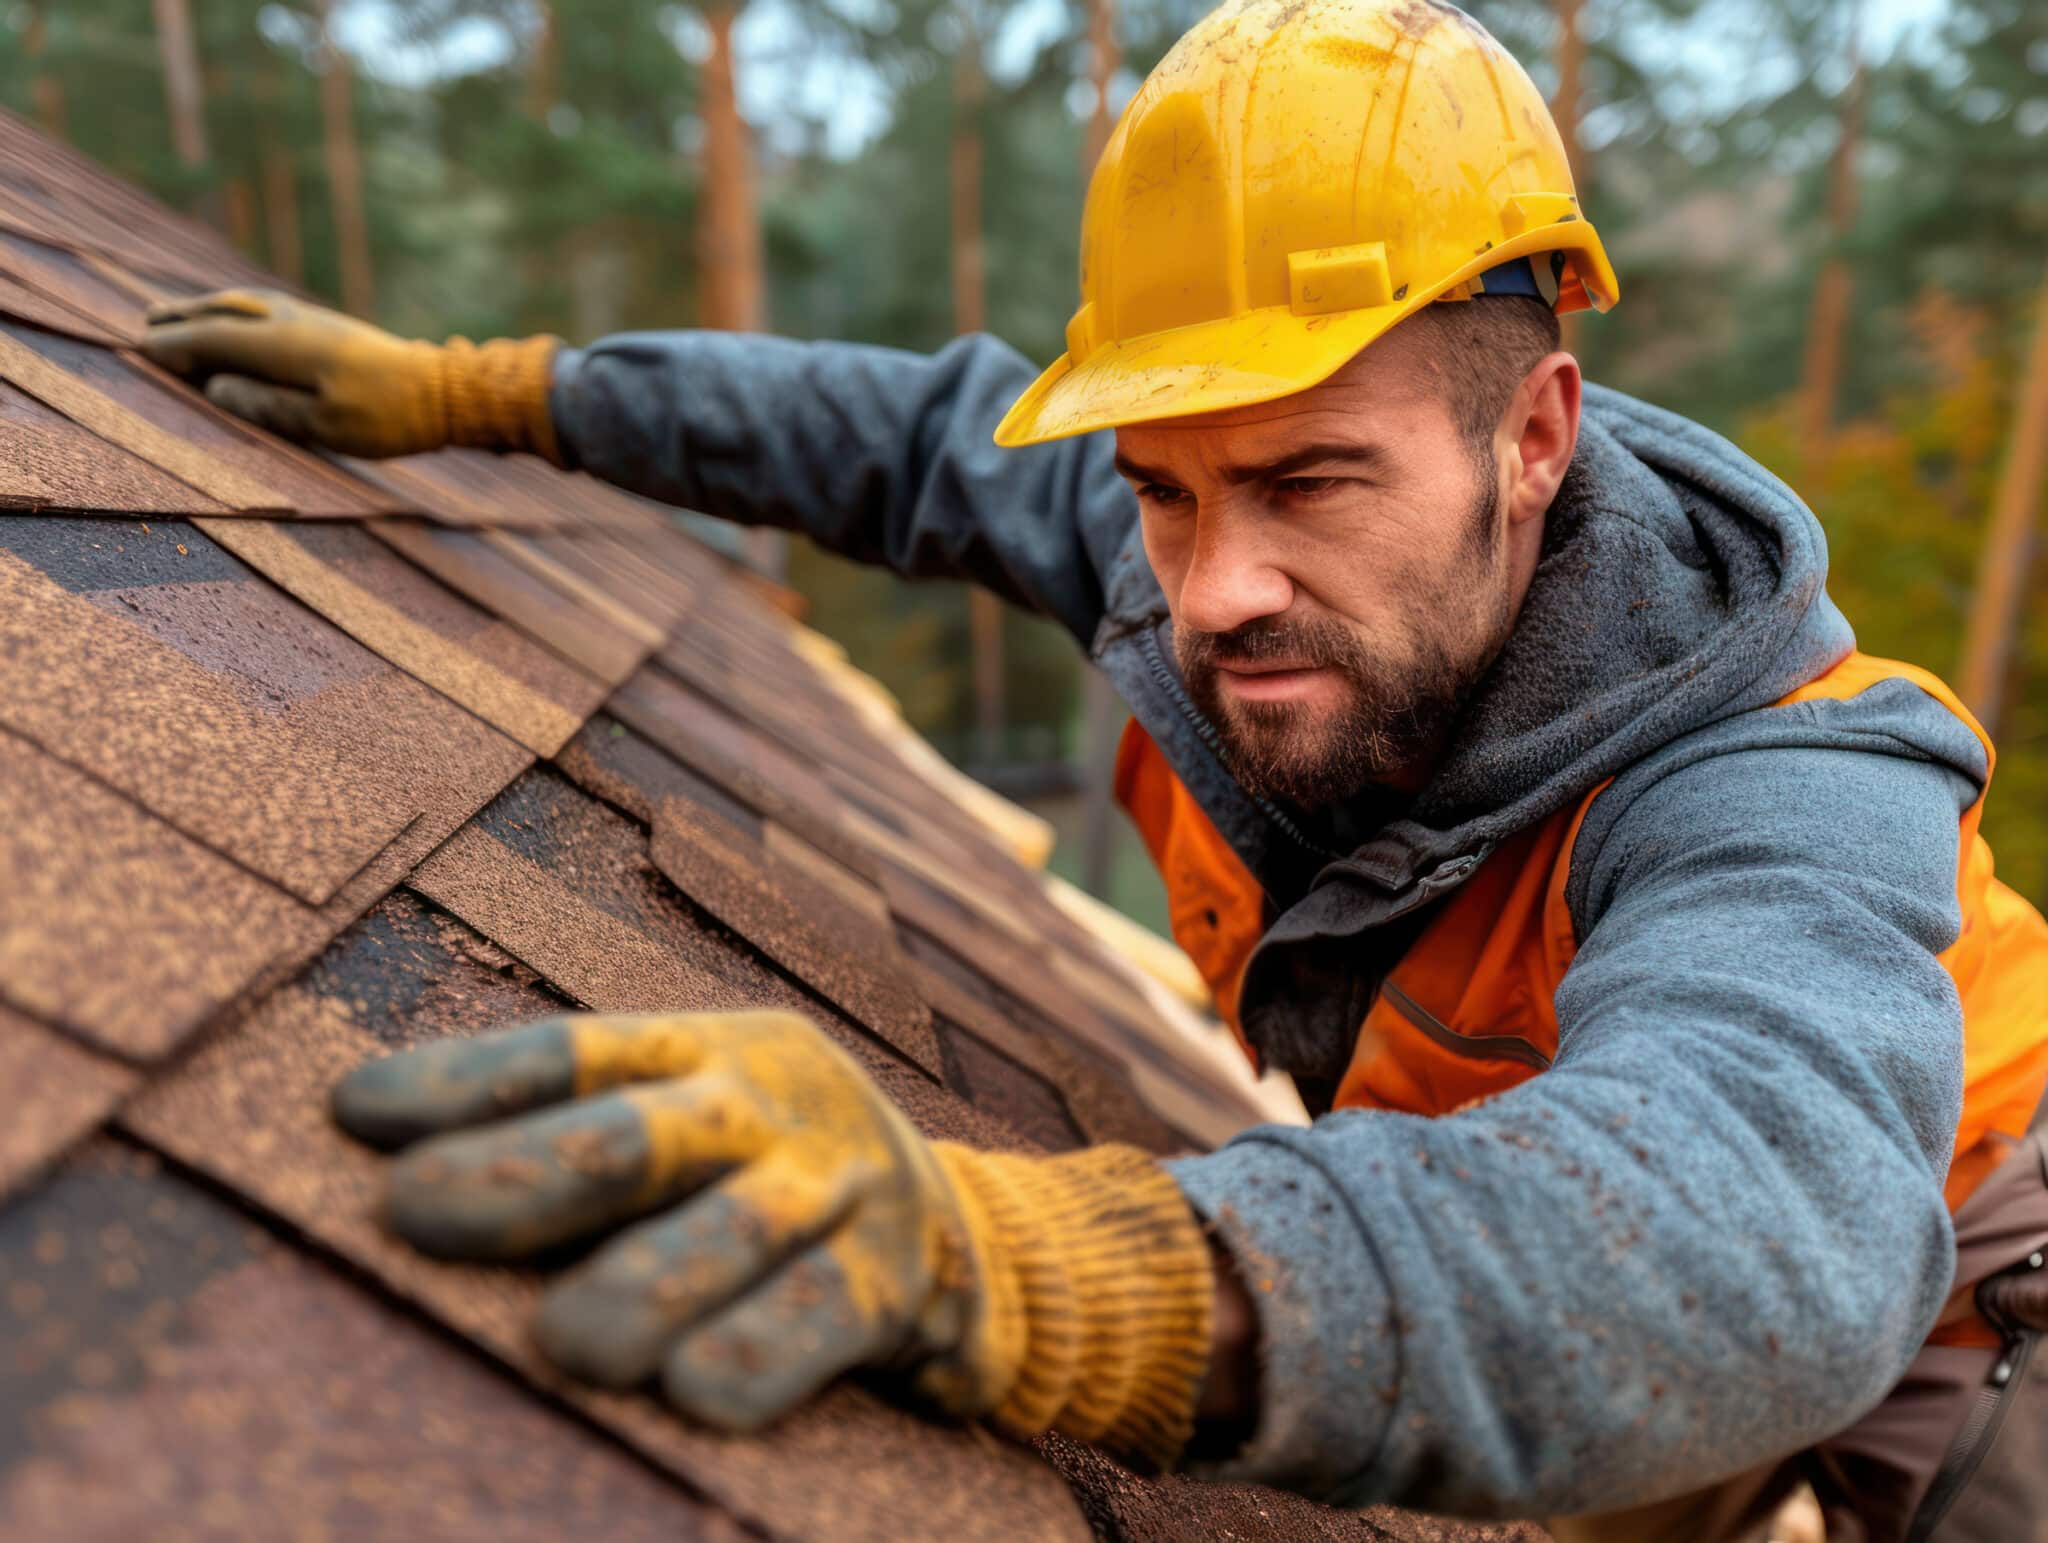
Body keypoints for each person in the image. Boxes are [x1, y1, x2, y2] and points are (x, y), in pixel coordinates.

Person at [141, 0, 2048, 1535]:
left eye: (1311, 483)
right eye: (1162, 492)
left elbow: (1757, 1233)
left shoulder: (1790, 778)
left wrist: (1044, 1274)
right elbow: (888, 433)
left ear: (1534, 436)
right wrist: (500, 392)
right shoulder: (1189, 529)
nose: (1212, 591)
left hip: (1962, 1269)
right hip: (1549, 1236)